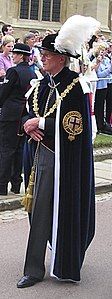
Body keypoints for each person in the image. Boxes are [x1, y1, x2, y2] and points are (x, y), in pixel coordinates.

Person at [17, 15, 100, 288]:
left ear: (61, 58)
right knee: (37, 212)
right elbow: (28, 113)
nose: (43, 58)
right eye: (43, 53)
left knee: (51, 210)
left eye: (48, 54)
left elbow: (74, 126)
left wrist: (40, 123)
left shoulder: (75, 85)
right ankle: (34, 267)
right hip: (37, 156)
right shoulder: (41, 83)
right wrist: (29, 126)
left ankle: (52, 263)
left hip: (61, 160)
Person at [0, 43, 36, 195]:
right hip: (23, 116)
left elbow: (4, 93)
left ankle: (1, 186)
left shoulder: (13, 71)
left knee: (6, 150)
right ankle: (16, 184)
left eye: (15, 54)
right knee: (19, 150)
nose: (12, 56)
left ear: (21, 56)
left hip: (10, 115)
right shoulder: (32, 73)